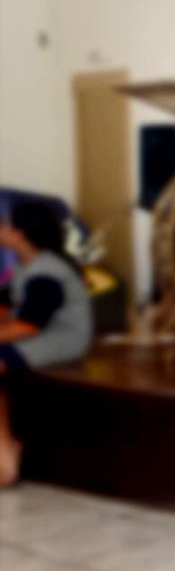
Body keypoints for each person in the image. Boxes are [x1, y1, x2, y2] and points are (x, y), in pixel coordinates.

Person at [0, 199, 94, 485]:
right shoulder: (25, 266)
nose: (1, 229)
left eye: (6, 225)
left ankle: (5, 453)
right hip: (36, 332)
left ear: (20, 233)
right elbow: (5, 305)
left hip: (60, 338)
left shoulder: (47, 272)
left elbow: (28, 325)